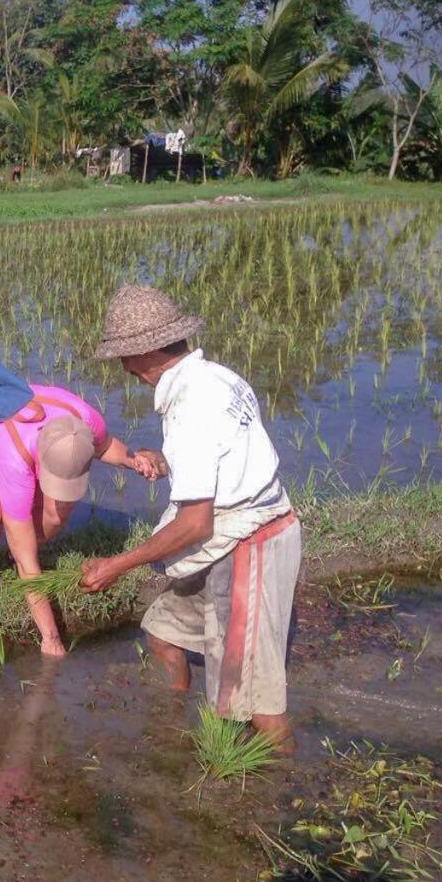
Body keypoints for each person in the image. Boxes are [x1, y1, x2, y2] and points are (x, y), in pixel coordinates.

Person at [79, 284, 301, 753]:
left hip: (249, 543)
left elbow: (195, 524)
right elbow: (225, 457)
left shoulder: (192, 404)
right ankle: (172, 735)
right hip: (224, 533)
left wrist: (118, 564)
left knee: (257, 703)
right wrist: (166, 462)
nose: (123, 368)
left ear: (151, 349)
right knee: (162, 632)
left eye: (126, 355)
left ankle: (286, 795)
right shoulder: (213, 377)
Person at [0, 378, 155, 656]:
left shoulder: (83, 420)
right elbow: (29, 566)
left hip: (14, 442)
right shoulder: (16, 460)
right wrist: (50, 638)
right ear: (41, 461)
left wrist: (135, 461)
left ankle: (15, 547)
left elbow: (106, 446)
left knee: (57, 515)